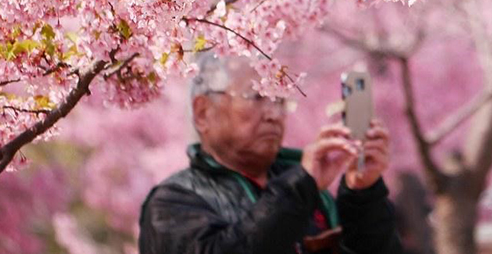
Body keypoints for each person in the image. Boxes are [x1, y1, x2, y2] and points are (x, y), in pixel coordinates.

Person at [139, 52, 402, 254]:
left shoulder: (309, 191)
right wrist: (300, 188)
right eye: (256, 96)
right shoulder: (172, 202)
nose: (274, 114)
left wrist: (362, 197)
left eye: (280, 100)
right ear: (203, 112)